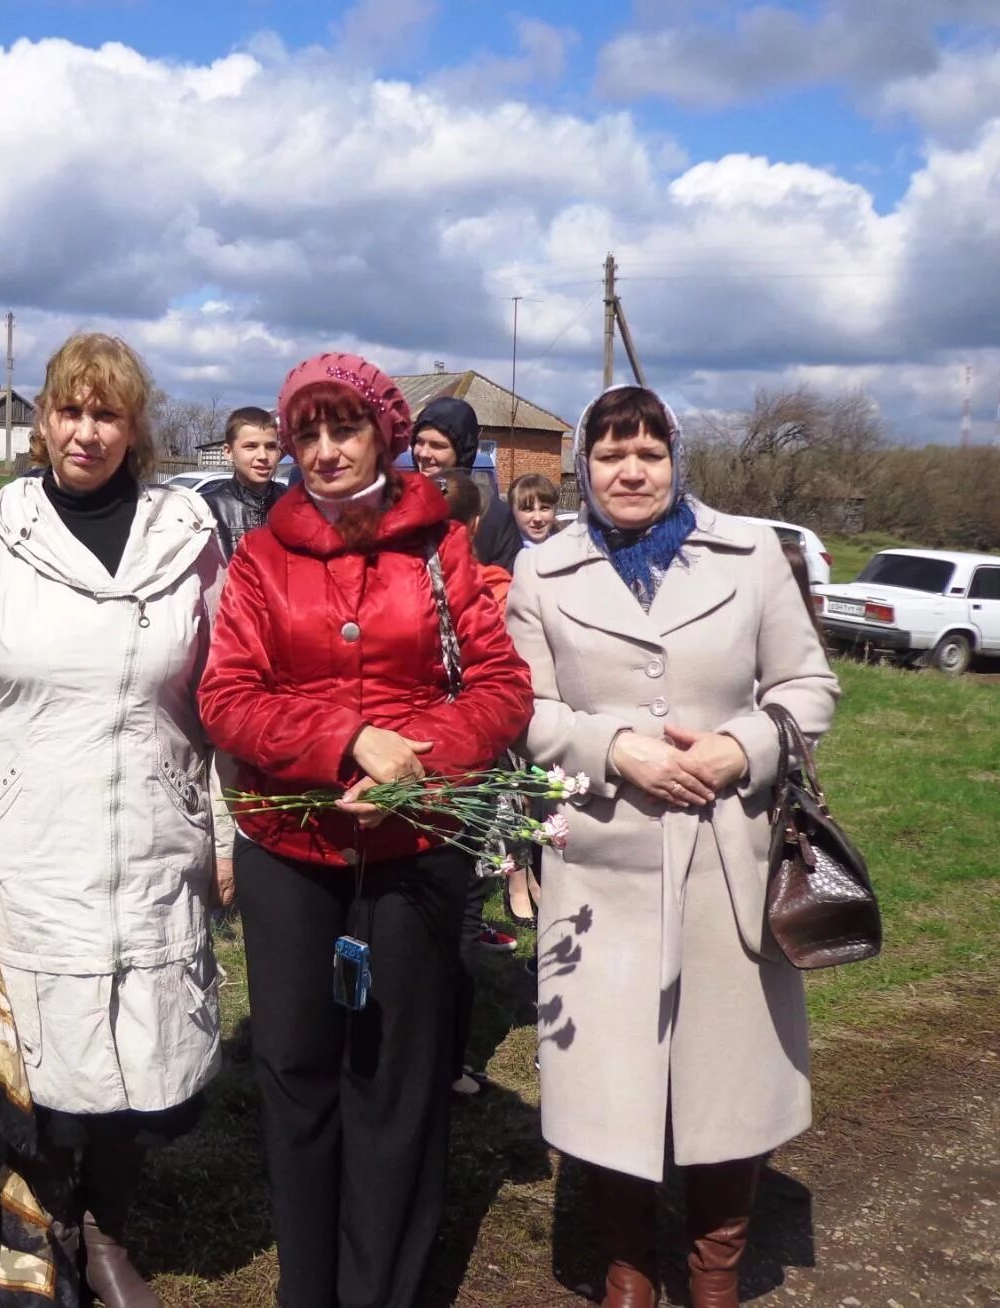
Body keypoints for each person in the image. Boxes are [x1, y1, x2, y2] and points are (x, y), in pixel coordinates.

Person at [200, 353, 534, 1308]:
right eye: (306, 434)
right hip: (291, 851)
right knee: (296, 1069)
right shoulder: (264, 555)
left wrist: (418, 757)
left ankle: (381, 1286)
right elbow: (228, 696)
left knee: (394, 1080)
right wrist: (343, 737)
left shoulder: (443, 548)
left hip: (412, 851)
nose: (322, 451)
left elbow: (502, 686)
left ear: (383, 435)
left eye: (342, 430)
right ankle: (309, 1287)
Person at [505, 384, 840, 1308]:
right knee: (609, 1077)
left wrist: (745, 747)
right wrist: (616, 749)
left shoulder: (751, 554)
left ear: (675, 459)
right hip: (602, 859)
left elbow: (810, 687)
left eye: (649, 452)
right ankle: (628, 1265)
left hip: (731, 859)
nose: (631, 469)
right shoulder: (545, 571)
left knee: (726, 1074)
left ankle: (715, 1266)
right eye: (611, 454)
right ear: (584, 467)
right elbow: (522, 708)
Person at [0, 332, 228, 1308]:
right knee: (38, 1053)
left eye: (107, 414)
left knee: (139, 1048)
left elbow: (225, 695)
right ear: (45, 419)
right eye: (70, 411)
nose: (85, 431)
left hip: (152, 826)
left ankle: (108, 1230)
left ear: (134, 428)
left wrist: (223, 828)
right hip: (32, 835)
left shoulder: (188, 534)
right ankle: (37, 1230)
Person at [433, 471, 522, 1101]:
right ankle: (444, 1058)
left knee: (457, 917)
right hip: (437, 778)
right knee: (451, 916)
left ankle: (448, 1055)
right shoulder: (491, 587)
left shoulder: (490, 593)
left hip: (458, 779)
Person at [410, 395, 521, 571]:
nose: (423, 453)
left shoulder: (492, 515)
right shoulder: (398, 504)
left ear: (462, 453)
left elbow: (505, 587)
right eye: (419, 442)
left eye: (437, 445)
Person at [202, 404, 286, 559]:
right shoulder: (206, 509)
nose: (263, 456)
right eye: (250, 446)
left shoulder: (292, 504)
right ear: (228, 452)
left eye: (271, 446)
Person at [508, 472, 563, 549]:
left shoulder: (566, 549)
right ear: (512, 512)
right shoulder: (504, 555)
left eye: (544, 508)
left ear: (554, 510)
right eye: (528, 509)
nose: (537, 518)